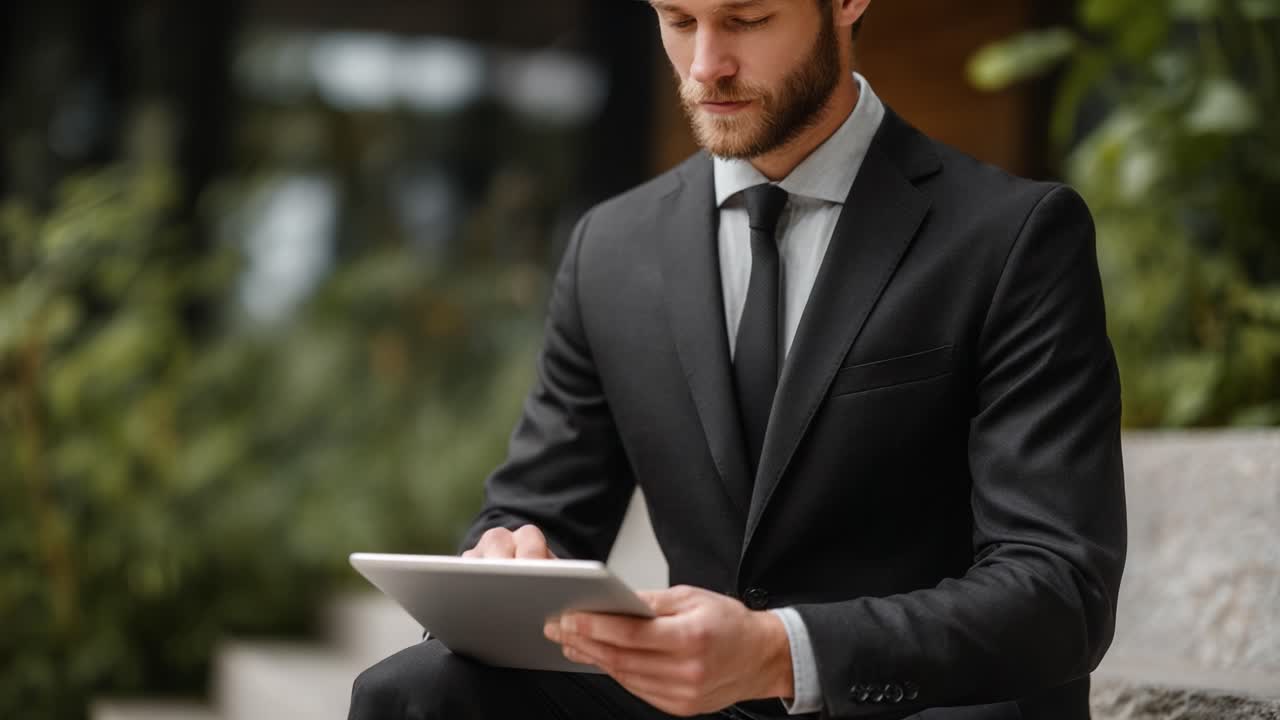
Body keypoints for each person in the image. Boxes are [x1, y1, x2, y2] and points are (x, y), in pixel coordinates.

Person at [348, 0, 1127, 717]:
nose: (704, 65)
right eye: (679, 18)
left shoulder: (1015, 237)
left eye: (747, 19)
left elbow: (1059, 588)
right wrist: (506, 557)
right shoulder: (610, 249)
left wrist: (779, 653)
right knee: (414, 694)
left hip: (917, 705)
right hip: (694, 708)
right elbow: (539, 511)